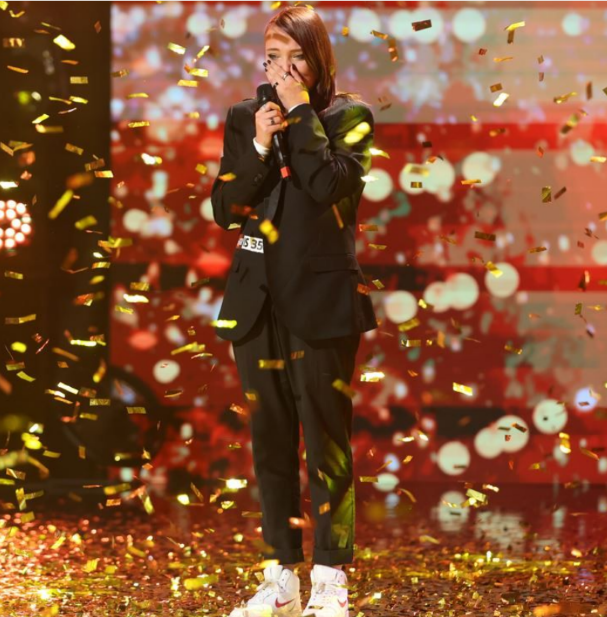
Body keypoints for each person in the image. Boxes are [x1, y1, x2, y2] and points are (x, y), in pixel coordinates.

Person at [209, 6, 378, 617]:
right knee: (270, 445)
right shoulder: (245, 117)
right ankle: (279, 579)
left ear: (318, 58)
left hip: (322, 303)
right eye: (273, 57)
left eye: (296, 56)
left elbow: (329, 186)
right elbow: (225, 209)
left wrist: (301, 113)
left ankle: (330, 581)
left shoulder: (348, 117)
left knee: (326, 446)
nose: (282, 69)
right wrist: (259, 143)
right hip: (256, 304)